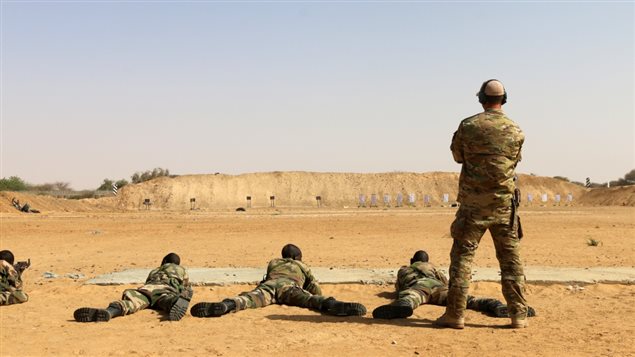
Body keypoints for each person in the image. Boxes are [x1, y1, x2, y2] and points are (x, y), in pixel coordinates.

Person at [436, 79, 528, 329]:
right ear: (504, 99)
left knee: (462, 259)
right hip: (504, 207)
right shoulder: (516, 130)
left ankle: (455, 314)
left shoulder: (468, 126)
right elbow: (514, 161)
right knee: (511, 262)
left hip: (473, 206)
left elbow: (457, 156)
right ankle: (518, 315)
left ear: (480, 99)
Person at [191, 244, 366, 317]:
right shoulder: (301, 266)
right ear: (297, 257)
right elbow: (314, 289)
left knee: (247, 299)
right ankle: (336, 306)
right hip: (289, 288)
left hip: (268, 287)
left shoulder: (273, 262)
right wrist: (320, 298)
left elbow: (267, 279)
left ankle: (227, 305)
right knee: (312, 301)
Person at [373, 250, 535, 319]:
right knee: (468, 300)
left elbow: (401, 287)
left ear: (412, 261)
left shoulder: (404, 269)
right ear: (427, 261)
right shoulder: (433, 268)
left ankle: (402, 308)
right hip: (438, 286)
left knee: (408, 299)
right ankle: (495, 305)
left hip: (418, 286)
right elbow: (446, 281)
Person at [74, 252, 193, 322]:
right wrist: (184, 293)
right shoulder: (181, 269)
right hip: (165, 291)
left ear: (164, 261)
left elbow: (148, 281)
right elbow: (185, 285)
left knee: (130, 303)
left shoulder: (155, 270)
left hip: (146, 291)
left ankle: (109, 312)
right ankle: (175, 302)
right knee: (167, 300)